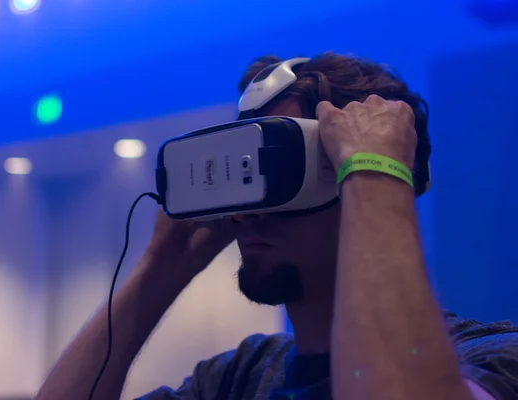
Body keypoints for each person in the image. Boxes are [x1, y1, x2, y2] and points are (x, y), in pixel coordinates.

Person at [35, 52, 518, 400]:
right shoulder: (238, 377)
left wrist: (374, 174)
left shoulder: (496, 358)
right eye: (247, 178)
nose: (247, 213)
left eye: (280, 171)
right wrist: (161, 268)